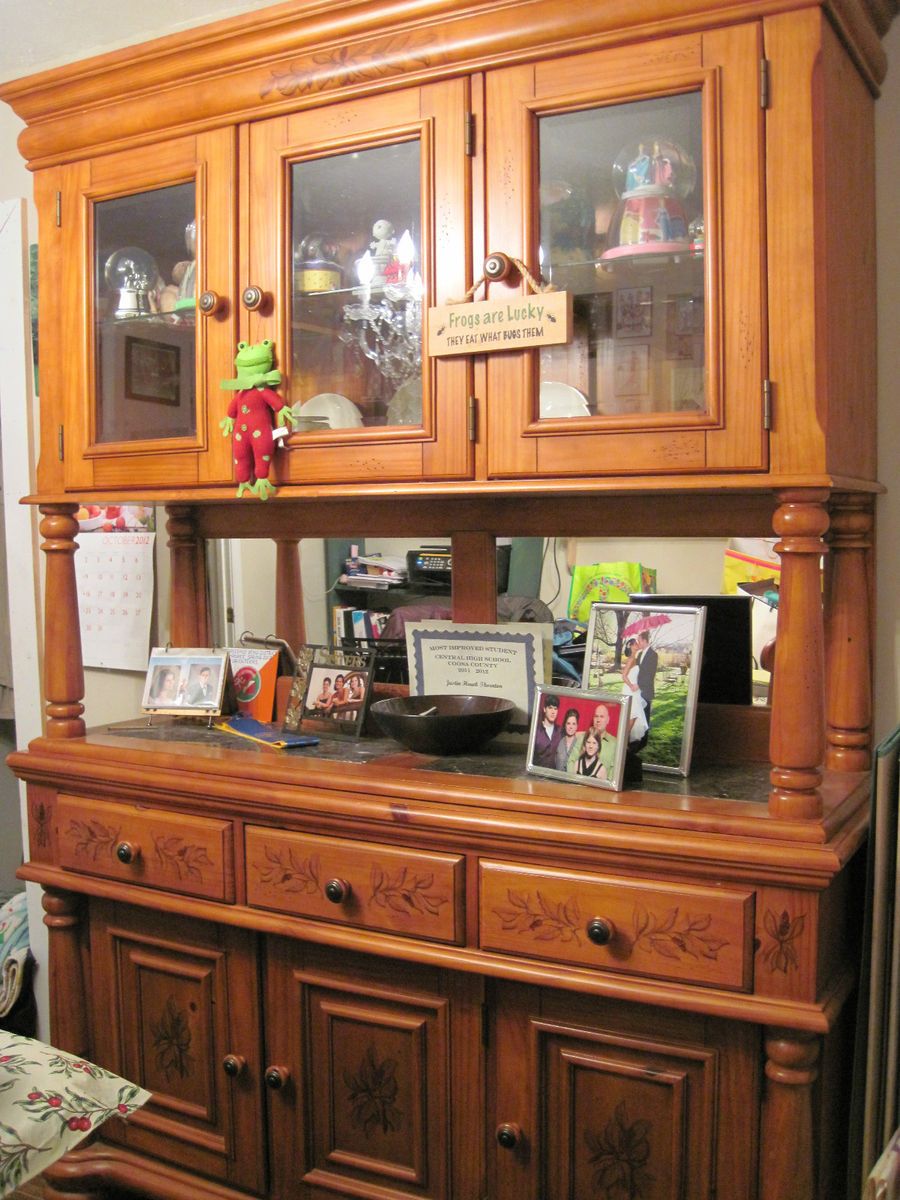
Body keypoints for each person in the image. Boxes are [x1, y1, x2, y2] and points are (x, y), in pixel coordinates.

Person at [576, 702, 618, 780]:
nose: (598, 720)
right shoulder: (581, 738)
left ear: (608, 720)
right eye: (596, 716)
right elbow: (572, 761)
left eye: (602, 717)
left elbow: (614, 772)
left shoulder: (615, 743)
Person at [621, 639, 649, 744]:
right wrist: (631, 685)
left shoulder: (635, 658)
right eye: (636, 643)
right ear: (631, 646)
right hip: (630, 690)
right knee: (633, 714)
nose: (638, 644)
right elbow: (623, 676)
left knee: (633, 715)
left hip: (634, 690)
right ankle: (624, 739)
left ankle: (625, 740)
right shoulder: (631, 659)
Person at [636, 629, 659, 727]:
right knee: (638, 717)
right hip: (636, 692)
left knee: (645, 718)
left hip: (646, 691)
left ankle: (643, 741)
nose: (638, 643)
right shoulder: (640, 654)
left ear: (645, 640)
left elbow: (650, 675)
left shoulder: (653, 655)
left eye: (639, 641)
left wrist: (638, 685)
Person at [532, 695, 561, 767]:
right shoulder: (536, 731)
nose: (553, 712)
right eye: (550, 708)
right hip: (537, 775)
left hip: (554, 774)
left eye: (555, 709)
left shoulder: (560, 731)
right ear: (544, 709)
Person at [555, 707, 582, 773]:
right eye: (568, 723)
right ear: (565, 725)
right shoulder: (559, 741)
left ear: (577, 726)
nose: (571, 727)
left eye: (573, 724)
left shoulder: (580, 744)